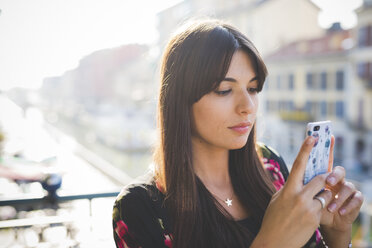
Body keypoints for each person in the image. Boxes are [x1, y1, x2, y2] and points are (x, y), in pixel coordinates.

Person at [112, 19, 364, 248]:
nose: (247, 107)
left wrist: (338, 236)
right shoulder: (138, 206)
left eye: (253, 88)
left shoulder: (270, 165)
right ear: (181, 99)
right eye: (224, 90)